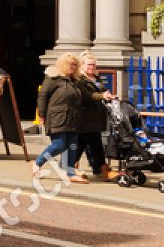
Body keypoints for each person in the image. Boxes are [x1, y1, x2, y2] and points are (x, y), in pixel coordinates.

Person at [35, 53, 90, 183]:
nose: (74, 67)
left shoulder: (75, 81)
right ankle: (37, 163)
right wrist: (42, 114)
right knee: (59, 145)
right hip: (57, 117)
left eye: (76, 65)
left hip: (73, 118)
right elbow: (43, 95)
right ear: (63, 64)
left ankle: (69, 173)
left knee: (71, 146)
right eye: (71, 64)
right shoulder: (53, 78)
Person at [77, 52, 112, 179]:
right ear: (82, 65)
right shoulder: (79, 79)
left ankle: (71, 166)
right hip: (85, 116)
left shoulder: (95, 78)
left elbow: (101, 90)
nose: (91, 67)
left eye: (93, 64)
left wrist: (109, 95)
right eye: (89, 64)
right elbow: (86, 96)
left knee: (83, 142)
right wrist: (102, 96)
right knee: (94, 142)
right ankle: (102, 168)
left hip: (95, 117)